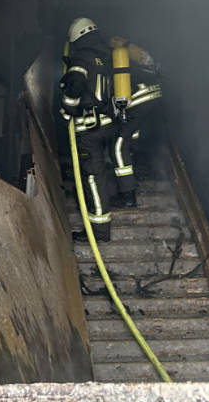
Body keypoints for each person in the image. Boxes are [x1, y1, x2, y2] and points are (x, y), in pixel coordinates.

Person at [59, 17, 117, 241]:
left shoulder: (81, 57)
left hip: (89, 127)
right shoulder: (105, 57)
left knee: (93, 176)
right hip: (107, 123)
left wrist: (66, 111)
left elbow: (75, 85)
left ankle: (99, 231)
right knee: (100, 171)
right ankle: (101, 222)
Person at [108, 36, 164, 208]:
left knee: (118, 145)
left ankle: (127, 196)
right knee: (133, 133)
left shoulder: (112, 51)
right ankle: (138, 170)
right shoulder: (126, 49)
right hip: (152, 92)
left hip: (139, 96)